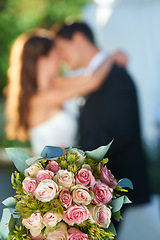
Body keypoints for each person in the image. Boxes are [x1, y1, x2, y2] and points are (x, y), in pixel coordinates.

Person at [55, 22, 150, 207]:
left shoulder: (115, 76)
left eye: (61, 48)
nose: (60, 57)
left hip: (115, 188)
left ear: (79, 38)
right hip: (98, 189)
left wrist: (73, 153)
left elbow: (118, 132)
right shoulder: (95, 76)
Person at [5, 29, 125, 155]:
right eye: (56, 55)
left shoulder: (55, 85)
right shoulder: (39, 98)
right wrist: (110, 57)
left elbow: (89, 76)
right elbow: (93, 82)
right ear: (42, 61)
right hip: (51, 170)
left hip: (67, 168)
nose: (61, 59)